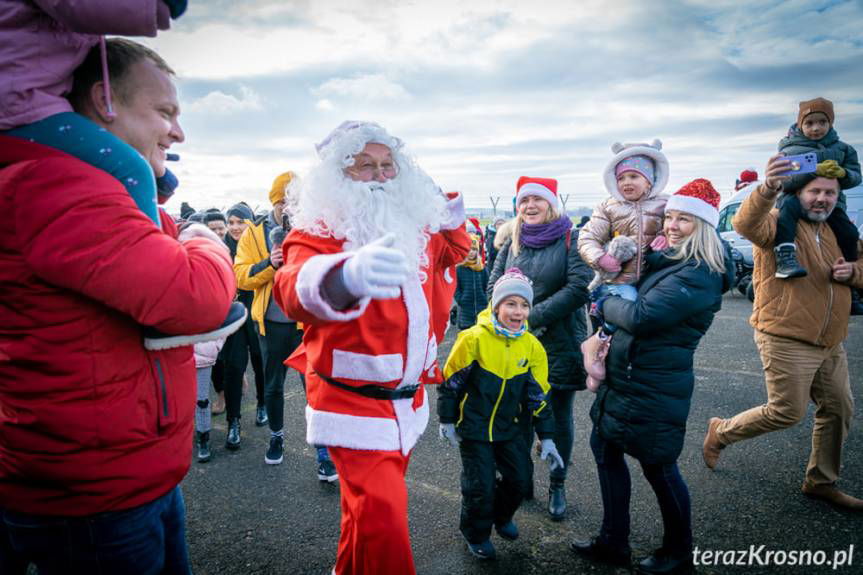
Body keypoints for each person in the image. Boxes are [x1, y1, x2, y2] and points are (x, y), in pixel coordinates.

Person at [0, 37, 236, 574]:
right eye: (165, 112)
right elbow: (195, 297)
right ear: (104, 100)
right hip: (94, 501)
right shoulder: (59, 186)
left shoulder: (96, 191)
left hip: (126, 476)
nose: (178, 132)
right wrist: (208, 243)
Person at [273, 120, 470, 575]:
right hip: (351, 403)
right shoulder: (320, 229)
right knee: (385, 523)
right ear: (339, 175)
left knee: (364, 514)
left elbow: (454, 251)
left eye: (387, 165)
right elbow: (290, 287)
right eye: (365, 166)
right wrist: (342, 277)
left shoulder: (413, 226)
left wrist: (445, 209)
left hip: (407, 402)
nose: (380, 176)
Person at [573, 179, 733, 575]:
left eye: (684, 220)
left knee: (658, 467)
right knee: (605, 450)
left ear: (704, 226)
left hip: (655, 385)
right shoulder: (671, 260)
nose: (672, 226)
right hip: (627, 378)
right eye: (670, 217)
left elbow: (643, 317)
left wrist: (604, 302)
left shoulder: (700, 272)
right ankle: (613, 540)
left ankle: (678, 552)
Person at [703, 157, 863, 511]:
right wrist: (767, 188)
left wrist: (852, 273)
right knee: (787, 411)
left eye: (829, 193)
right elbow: (746, 223)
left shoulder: (841, 230)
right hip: (786, 334)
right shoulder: (776, 223)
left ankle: (821, 482)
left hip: (831, 339)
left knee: (838, 409)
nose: (822, 199)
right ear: (799, 192)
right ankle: (721, 431)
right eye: (814, 191)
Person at [439, 269, 563, 560]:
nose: (518, 311)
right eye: (511, 304)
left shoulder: (532, 347)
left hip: (510, 428)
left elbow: (538, 396)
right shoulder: (473, 339)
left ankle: (501, 515)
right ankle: (476, 533)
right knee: (479, 486)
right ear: (496, 306)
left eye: (524, 305)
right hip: (474, 428)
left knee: (520, 479)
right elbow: (451, 383)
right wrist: (446, 420)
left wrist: (547, 437)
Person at [488, 176, 591, 521]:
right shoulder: (512, 241)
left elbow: (579, 288)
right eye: (524, 200)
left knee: (558, 417)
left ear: (551, 204)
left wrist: (529, 317)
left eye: (537, 199)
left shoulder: (570, 238)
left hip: (559, 344)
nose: (530, 206)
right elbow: (493, 284)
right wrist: (507, 316)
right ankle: (522, 480)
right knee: (518, 415)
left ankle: (557, 483)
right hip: (515, 343)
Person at [233, 172, 337, 477]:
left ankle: (323, 451)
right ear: (275, 203)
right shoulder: (254, 234)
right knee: (273, 385)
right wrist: (271, 263)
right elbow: (241, 276)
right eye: (285, 203)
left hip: (307, 324)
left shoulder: (313, 229)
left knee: (315, 388)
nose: (291, 209)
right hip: (271, 324)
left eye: (298, 203)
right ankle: (276, 437)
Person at [772, 97, 861, 279]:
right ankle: (785, 258)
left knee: (850, 234)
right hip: (794, 199)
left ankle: (850, 272)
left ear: (831, 123)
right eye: (809, 123)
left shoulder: (844, 149)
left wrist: (843, 173)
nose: (816, 128)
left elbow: (856, 177)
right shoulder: (789, 150)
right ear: (800, 124)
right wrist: (813, 170)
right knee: (784, 218)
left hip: (832, 205)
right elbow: (784, 181)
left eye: (822, 122)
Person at [223, 202, 268, 443]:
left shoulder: (258, 245)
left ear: (250, 222)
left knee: (260, 362)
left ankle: (262, 404)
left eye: (240, 222)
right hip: (233, 316)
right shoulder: (221, 249)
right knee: (233, 366)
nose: (235, 227)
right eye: (231, 222)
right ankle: (233, 421)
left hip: (256, 312)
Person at [193, 337, 225, 462]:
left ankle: (203, 437)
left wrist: (215, 345)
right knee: (177, 399)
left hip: (203, 351)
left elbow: (223, 325)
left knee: (202, 400)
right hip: (177, 353)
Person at [453, 234, 490, 330]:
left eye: (474, 249)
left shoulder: (482, 268)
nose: (471, 252)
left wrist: (485, 299)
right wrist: (461, 300)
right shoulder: (459, 268)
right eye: (469, 249)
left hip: (482, 309)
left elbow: (487, 286)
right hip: (465, 311)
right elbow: (455, 288)